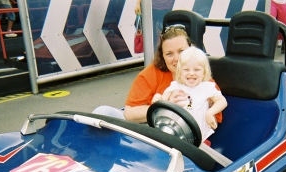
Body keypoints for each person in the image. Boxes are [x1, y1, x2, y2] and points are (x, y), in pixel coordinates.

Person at [95, 24, 223, 125]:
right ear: (162, 56)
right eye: (169, 54)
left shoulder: (203, 80)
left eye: (181, 51)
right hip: (146, 125)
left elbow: (213, 119)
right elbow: (129, 113)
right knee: (101, 112)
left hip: (177, 134)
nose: (176, 58)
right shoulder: (151, 74)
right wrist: (164, 108)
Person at [158, 46, 227, 142]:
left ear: (204, 72)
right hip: (178, 135)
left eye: (196, 70)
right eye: (186, 70)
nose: (191, 73)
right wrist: (159, 98)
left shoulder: (207, 87)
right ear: (180, 71)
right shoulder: (176, 86)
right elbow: (162, 101)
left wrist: (210, 112)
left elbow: (222, 101)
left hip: (201, 138)